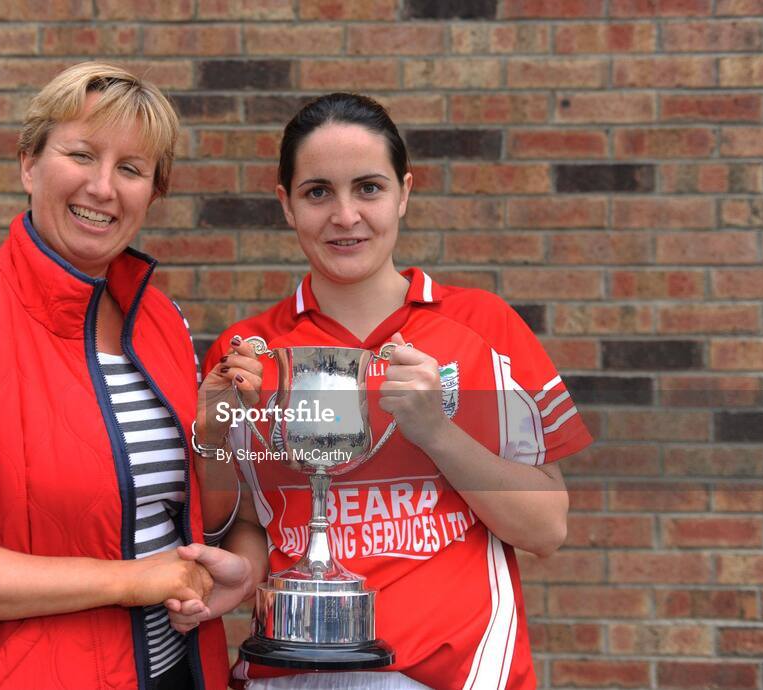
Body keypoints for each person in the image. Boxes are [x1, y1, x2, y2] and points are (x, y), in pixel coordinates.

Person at [172, 93, 593, 690]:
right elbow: (249, 523)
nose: (345, 216)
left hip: (458, 674)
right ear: (286, 206)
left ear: (404, 192)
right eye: (318, 192)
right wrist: (237, 569)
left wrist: (437, 431)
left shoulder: (484, 328)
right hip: (289, 671)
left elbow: (546, 529)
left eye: (368, 188)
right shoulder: (249, 352)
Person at [0, 62, 246, 689]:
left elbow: (193, 518)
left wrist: (213, 435)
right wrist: (134, 579)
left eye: (131, 169)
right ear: (28, 164)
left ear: (153, 192)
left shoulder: (162, 322)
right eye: (81, 155)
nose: (102, 187)